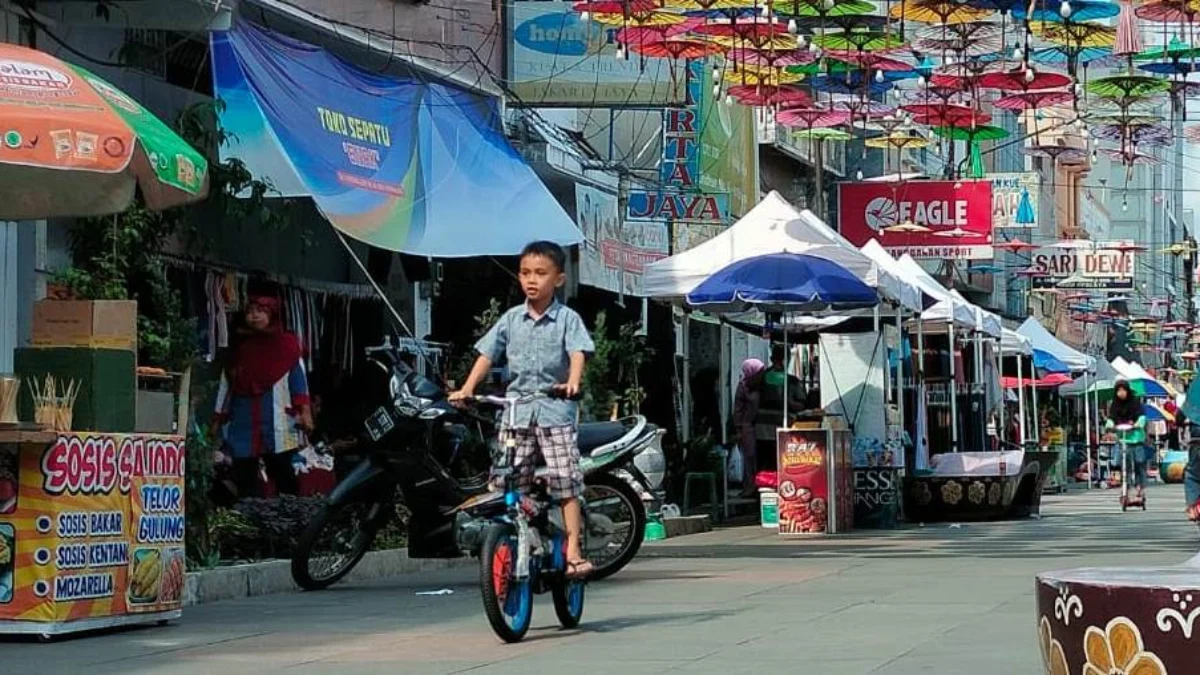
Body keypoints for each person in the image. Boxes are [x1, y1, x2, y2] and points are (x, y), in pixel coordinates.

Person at [450, 241, 596, 578]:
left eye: (541, 274)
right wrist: (468, 389)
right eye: (526, 273)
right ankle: (515, 539)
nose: (532, 280)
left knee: (565, 481)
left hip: (554, 411)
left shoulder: (567, 319)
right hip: (515, 414)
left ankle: (573, 547)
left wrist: (572, 382)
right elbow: (487, 354)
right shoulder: (510, 319)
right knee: (506, 482)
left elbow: (578, 352)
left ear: (558, 279)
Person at [212, 295, 312, 499]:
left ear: (272, 314)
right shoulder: (238, 347)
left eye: (260, 311)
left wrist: (305, 411)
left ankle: (291, 521)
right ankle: (251, 521)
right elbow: (226, 385)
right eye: (250, 311)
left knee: (284, 474)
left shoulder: (288, 345)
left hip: (278, 422)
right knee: (244, 475)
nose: (254, 316)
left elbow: (299, 382)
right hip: (243, 420)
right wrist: (218, 417)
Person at [1106, 378, 1148, 500]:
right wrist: (1110, 425)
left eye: (1123, 390)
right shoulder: (1114, 404)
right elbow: (1111, 418)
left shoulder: (1135, 403)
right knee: (1125, 465)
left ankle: (1140, 486)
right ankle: (1126, 488)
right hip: (1123, 439)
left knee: (1139, 463)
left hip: (1136, 438)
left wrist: (1137, 424)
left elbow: (1141, 417)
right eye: (1118, 390)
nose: (1121, 393)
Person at [733, 358, 765, 497]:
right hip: (747, 427)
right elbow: (738, 410)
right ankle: (750, 487)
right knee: (750, 457)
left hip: (762, 425)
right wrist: (738, 429)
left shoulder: (762, 385)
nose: (761, 374)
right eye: (759, 372)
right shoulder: (743, 386)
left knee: (761, 457)